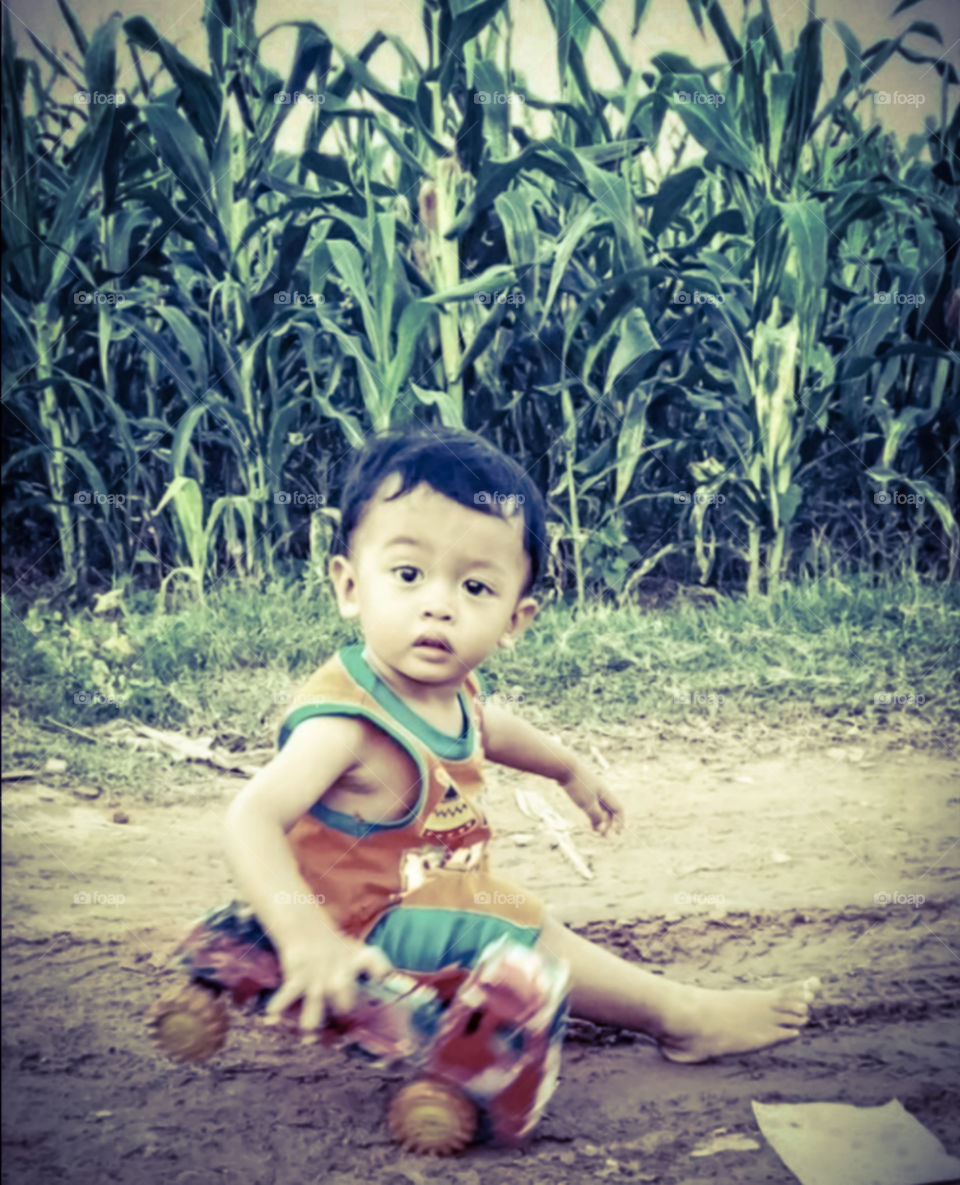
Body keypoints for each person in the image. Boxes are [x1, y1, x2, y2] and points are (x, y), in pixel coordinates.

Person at [224, 427, 819, 1062]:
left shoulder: (444, 691)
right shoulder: (348, 725)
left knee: (490, 913)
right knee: (516, 924)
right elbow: (250, 817)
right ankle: (679, 1017)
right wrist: (306, 938)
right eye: (408, 573)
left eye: (474, 587)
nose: (438, 605)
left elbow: (486, 725)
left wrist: (566, 768)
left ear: (515, 619)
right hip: (360, 926)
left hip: (409, 898)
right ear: (349, 586)